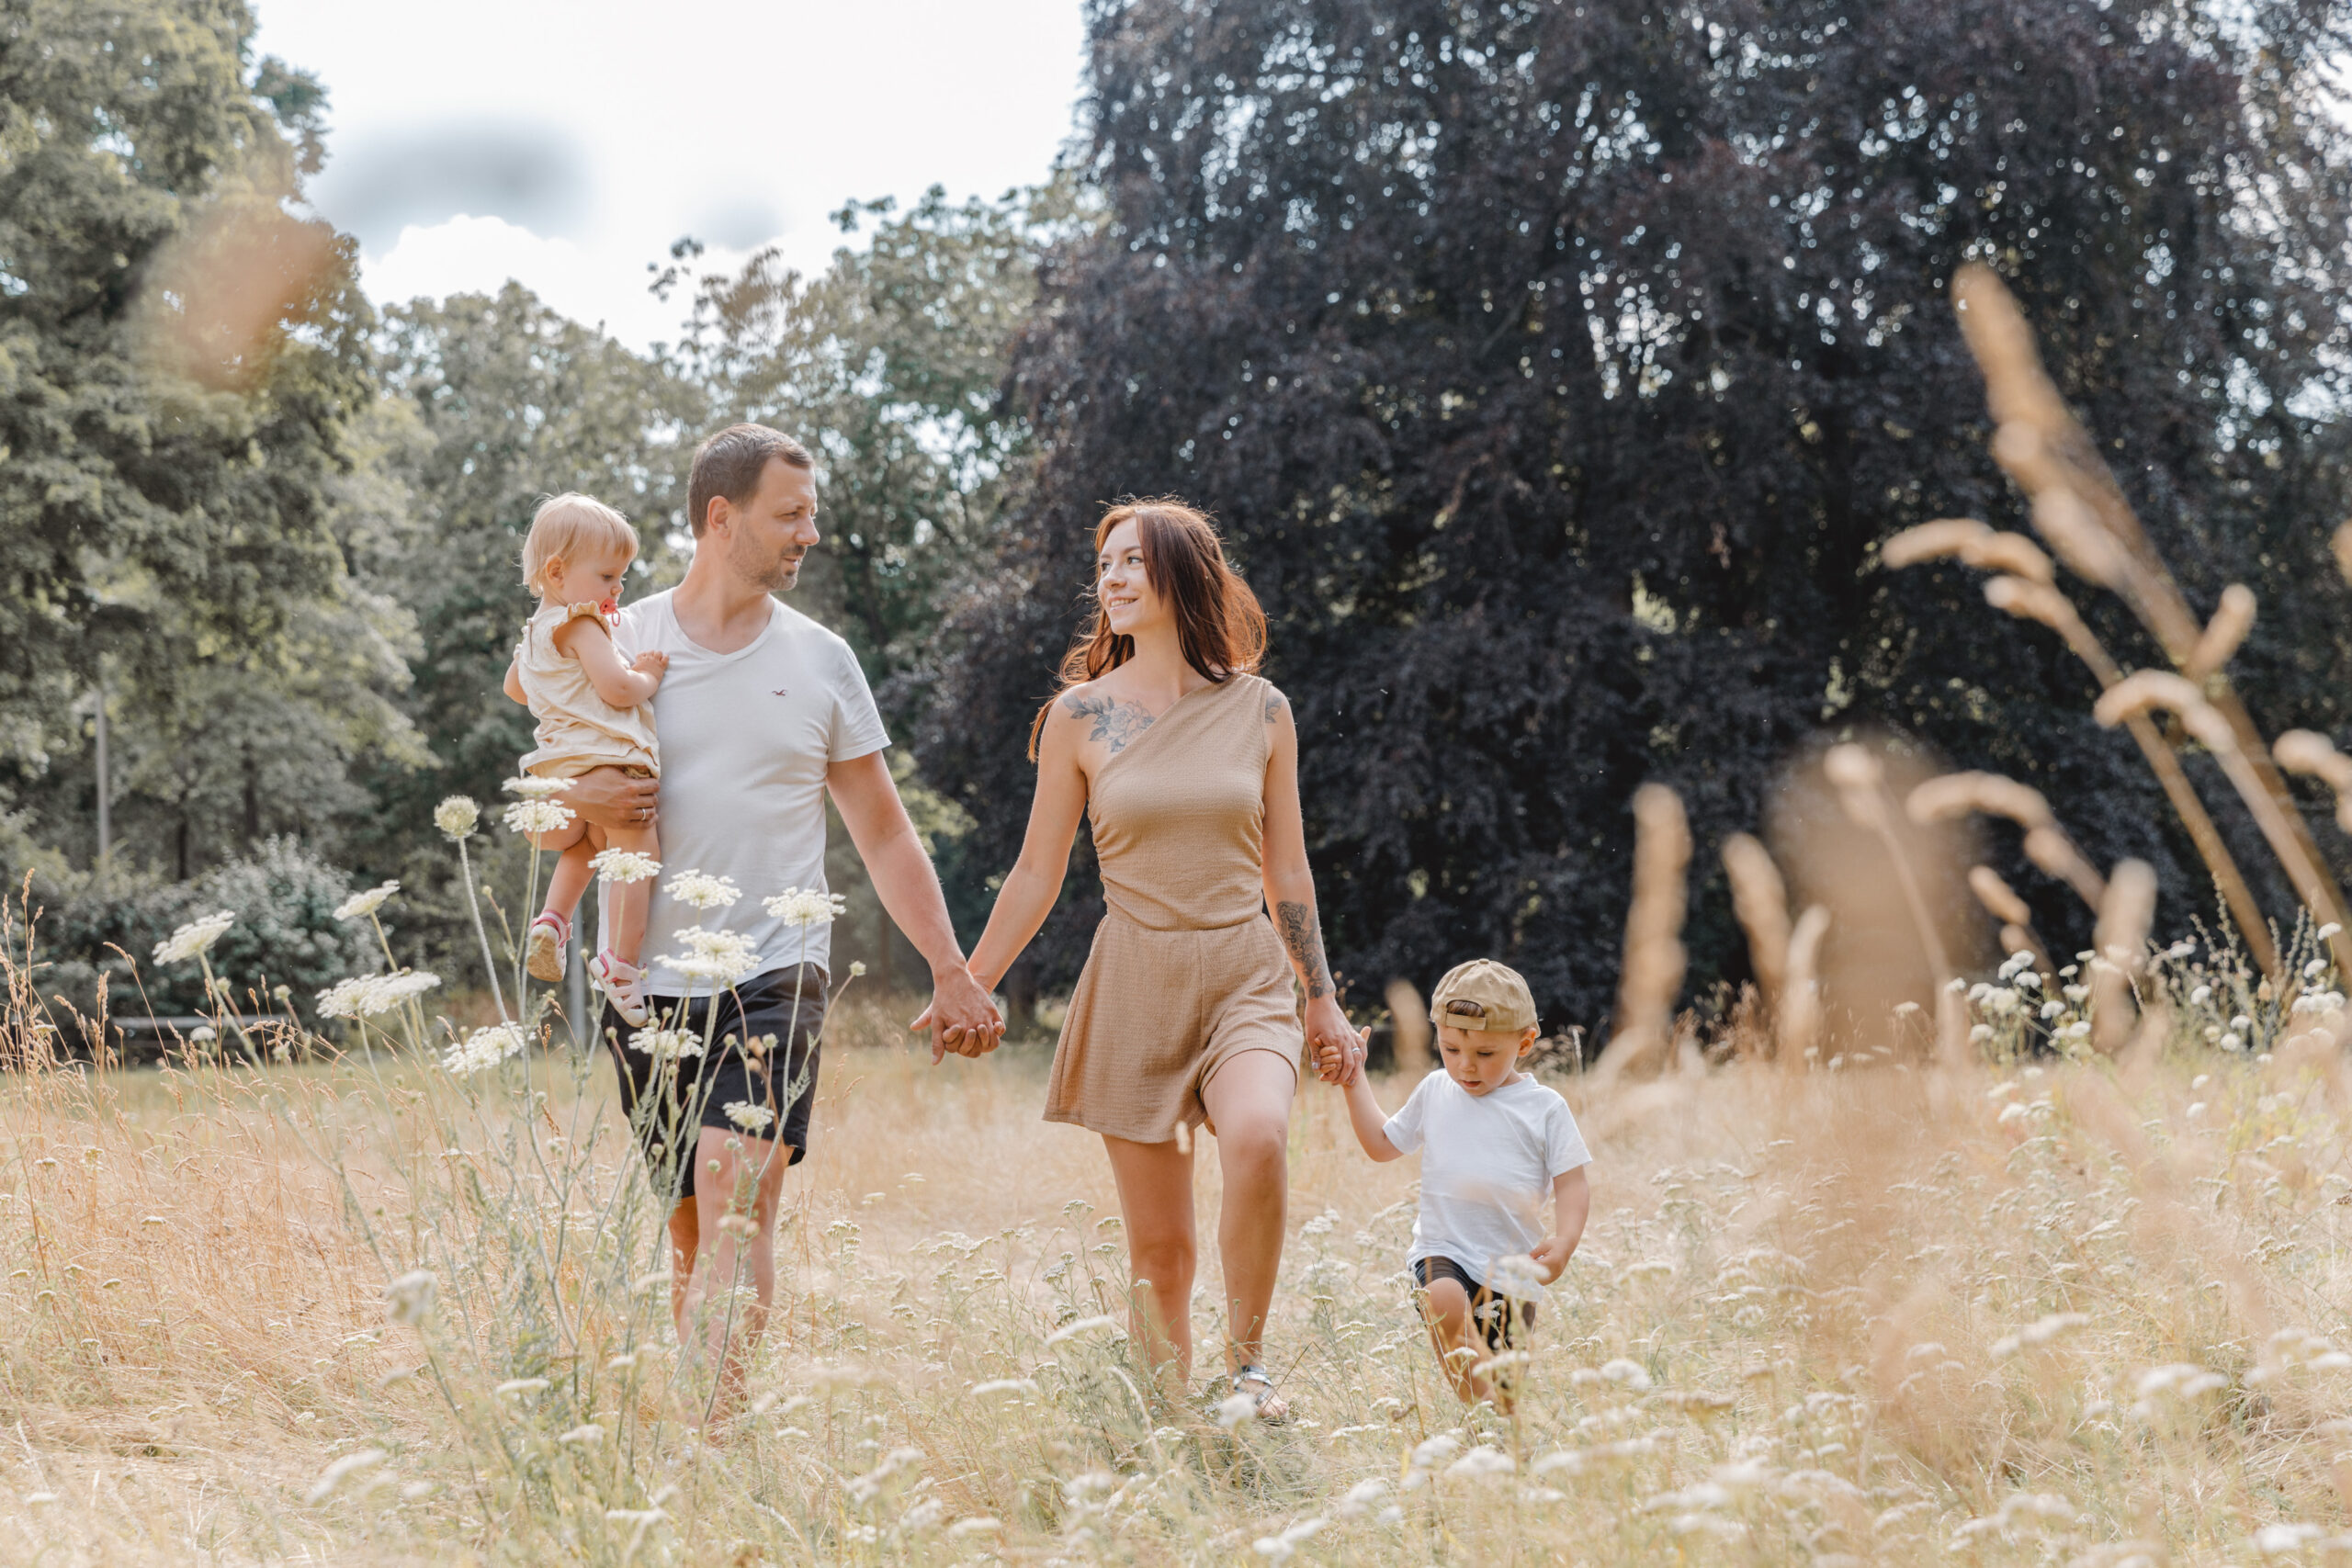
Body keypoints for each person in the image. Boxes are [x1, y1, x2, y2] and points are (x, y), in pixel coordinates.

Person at [548, 423, 1004, 1425]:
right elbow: (555, 809)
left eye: (811, 513)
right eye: (789, 513)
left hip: (774, 971)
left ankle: (712, 1443)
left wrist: (950, 967)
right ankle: (714, 1419)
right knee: (687, 1225)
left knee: (733, 1194)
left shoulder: (822, 660)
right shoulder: (620, 644)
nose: (809, 532)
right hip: (645, 983)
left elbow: (885, 835)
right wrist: (577, 792)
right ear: (722, 518)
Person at [933, 497, 1362, 1420]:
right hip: (1134, 983)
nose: (1113, 578)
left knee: (1258, 1137)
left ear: (1182, 576)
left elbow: (1285, 868)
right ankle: (1164, 1430)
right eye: (1107, 563)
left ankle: (1247, 1373)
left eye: (1133, 561)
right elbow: (1037, 873)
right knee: (1160, 1251)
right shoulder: (1077, 718)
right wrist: (970, 979)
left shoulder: (1262, 710)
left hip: (1245, 970)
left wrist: (1318, 999)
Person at [1331, 959, 1591, 1410]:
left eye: (1485, 1054)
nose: (1465, 1067)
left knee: (1507, 1392)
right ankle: (1488, 1415)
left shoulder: (1544, 1107)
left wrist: (1566, 1241)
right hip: (1443, 1250)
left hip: (1513, 1270)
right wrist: (1354, 1080)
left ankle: (1495, 1431)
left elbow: (1572, 1183)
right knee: (1442, 1297)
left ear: (1525, 1041)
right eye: (1450, 1050)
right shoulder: (1435, 1090)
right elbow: (1381, 1143)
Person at [500, 493, 668, 1023]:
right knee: (636, 858)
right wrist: (648, 674)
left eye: (622, 577)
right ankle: (621, 965)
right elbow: (619, 690)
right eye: (607, 576)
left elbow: (517, 690)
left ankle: (551, 920)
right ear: (557, 572)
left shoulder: (534, 635)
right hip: (609, 762)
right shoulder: (583, 623)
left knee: (593, 845)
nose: (617, 589)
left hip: (556, 767)